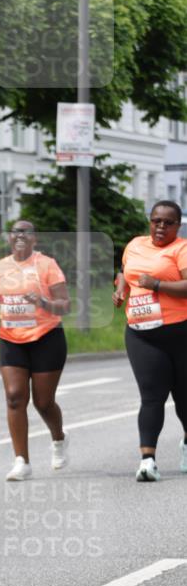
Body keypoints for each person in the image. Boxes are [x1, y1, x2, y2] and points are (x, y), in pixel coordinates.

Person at [0, 220, 70, 481]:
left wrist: (42, 302)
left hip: (46, 338)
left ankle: (59, 438)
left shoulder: (46, 265)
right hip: (11, 339)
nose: (20, 236)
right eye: (15, 232)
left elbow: (65, 305)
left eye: (25, 232)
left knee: (43, 401)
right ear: (9, 239)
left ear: (34, 239)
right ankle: (22, 461)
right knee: (15, 397)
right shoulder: (0, 268)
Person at [113, 200, 187, 481]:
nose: (161, 227)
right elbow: (125, 273)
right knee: (152, 396)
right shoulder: (135, 245)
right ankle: (148, 461)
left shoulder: (181, 249)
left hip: (180, 333)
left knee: (183, 399)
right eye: (156, 220)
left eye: (168, 223)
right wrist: (121, 290)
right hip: (142, 334)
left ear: (177, 226)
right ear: (150, 221)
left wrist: (157, 285)